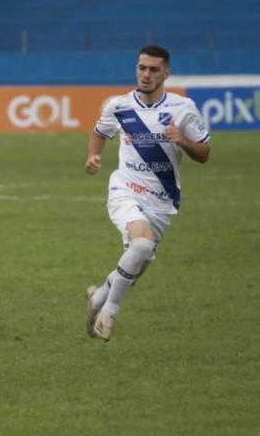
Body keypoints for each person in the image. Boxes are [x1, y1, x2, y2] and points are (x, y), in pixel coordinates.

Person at [84, 45, 210, 342]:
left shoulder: (183, 109)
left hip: (162, 201)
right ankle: (108, 315)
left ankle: (97, 298)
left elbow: (204, 153)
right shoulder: (119, 105)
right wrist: (93, 156)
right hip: (125, 189)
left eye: (154, 69)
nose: (146, 74)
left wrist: (185, 142)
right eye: (142, 68)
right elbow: (99, 132)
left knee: (135, 269)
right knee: (140, 246)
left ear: (166, 73)